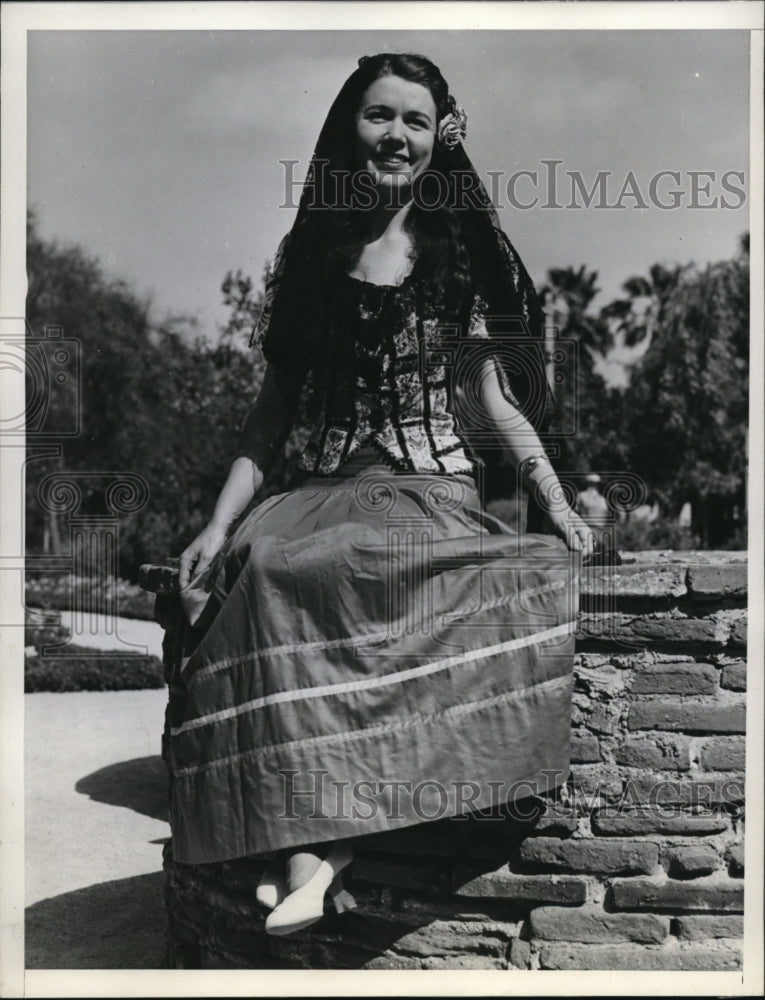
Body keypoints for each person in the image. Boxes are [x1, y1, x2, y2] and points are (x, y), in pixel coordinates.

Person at [176, 53, 595, 938]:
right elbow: (272, 412)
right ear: (346, 128)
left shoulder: (455, 262)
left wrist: (553, 500)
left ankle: (307, 855)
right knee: (261, 563)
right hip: (319, 487)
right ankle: (314, 856)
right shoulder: (314, 257)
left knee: (347, 561)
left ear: (437, 141)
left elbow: (494, 402)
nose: (394, 136)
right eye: (378, 116)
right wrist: (216, 523)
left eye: (413, 121)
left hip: (424, 490)